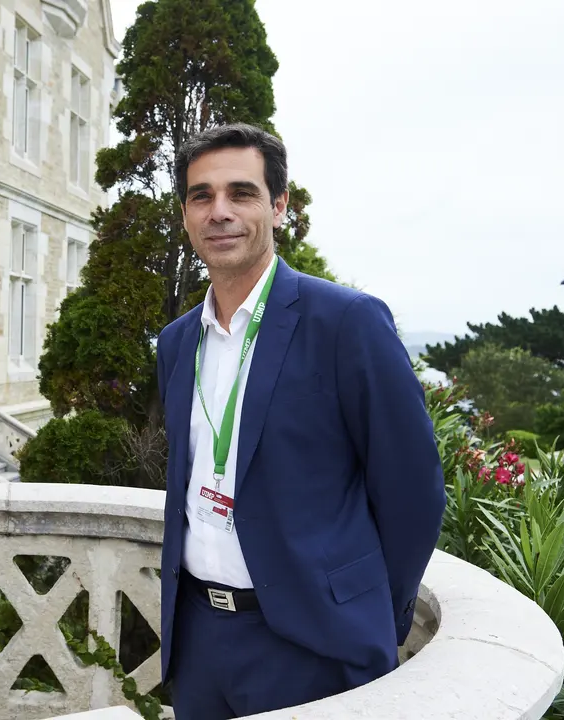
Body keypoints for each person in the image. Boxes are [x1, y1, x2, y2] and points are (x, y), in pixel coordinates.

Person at [155, 123, 446, 719]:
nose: (220, 212)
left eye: (241, 193)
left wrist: (366, 621)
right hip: (199, 642)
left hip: (311, 645)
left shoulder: (346, 323)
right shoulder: (176, 342)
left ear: (278, 205)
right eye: (201, 196)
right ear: (185, 214)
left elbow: (413, 491)